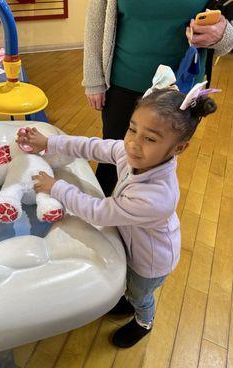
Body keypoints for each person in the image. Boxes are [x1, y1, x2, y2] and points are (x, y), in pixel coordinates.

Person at [16, 72, 218, 348]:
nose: (134, 142)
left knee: (140, 295)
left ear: (178, 148)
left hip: (150, 261)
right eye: (132, 129)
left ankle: (143, 321)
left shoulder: (156, 196)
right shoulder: (130, 152)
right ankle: (127, 299)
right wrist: (50, 143)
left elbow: (99, 211)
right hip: (133, 240)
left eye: (150, 138)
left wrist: (56, 187)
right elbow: (94, 146)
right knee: (127, 282)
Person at [83, 0, 233, 196]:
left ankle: (140, 222)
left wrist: (222, 35)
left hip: (181, 92)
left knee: (158, 166)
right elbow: (96, 19)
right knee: (112, 160)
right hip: (124, 84)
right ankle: (97, 221)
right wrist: (93, 79)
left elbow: (228, 29)